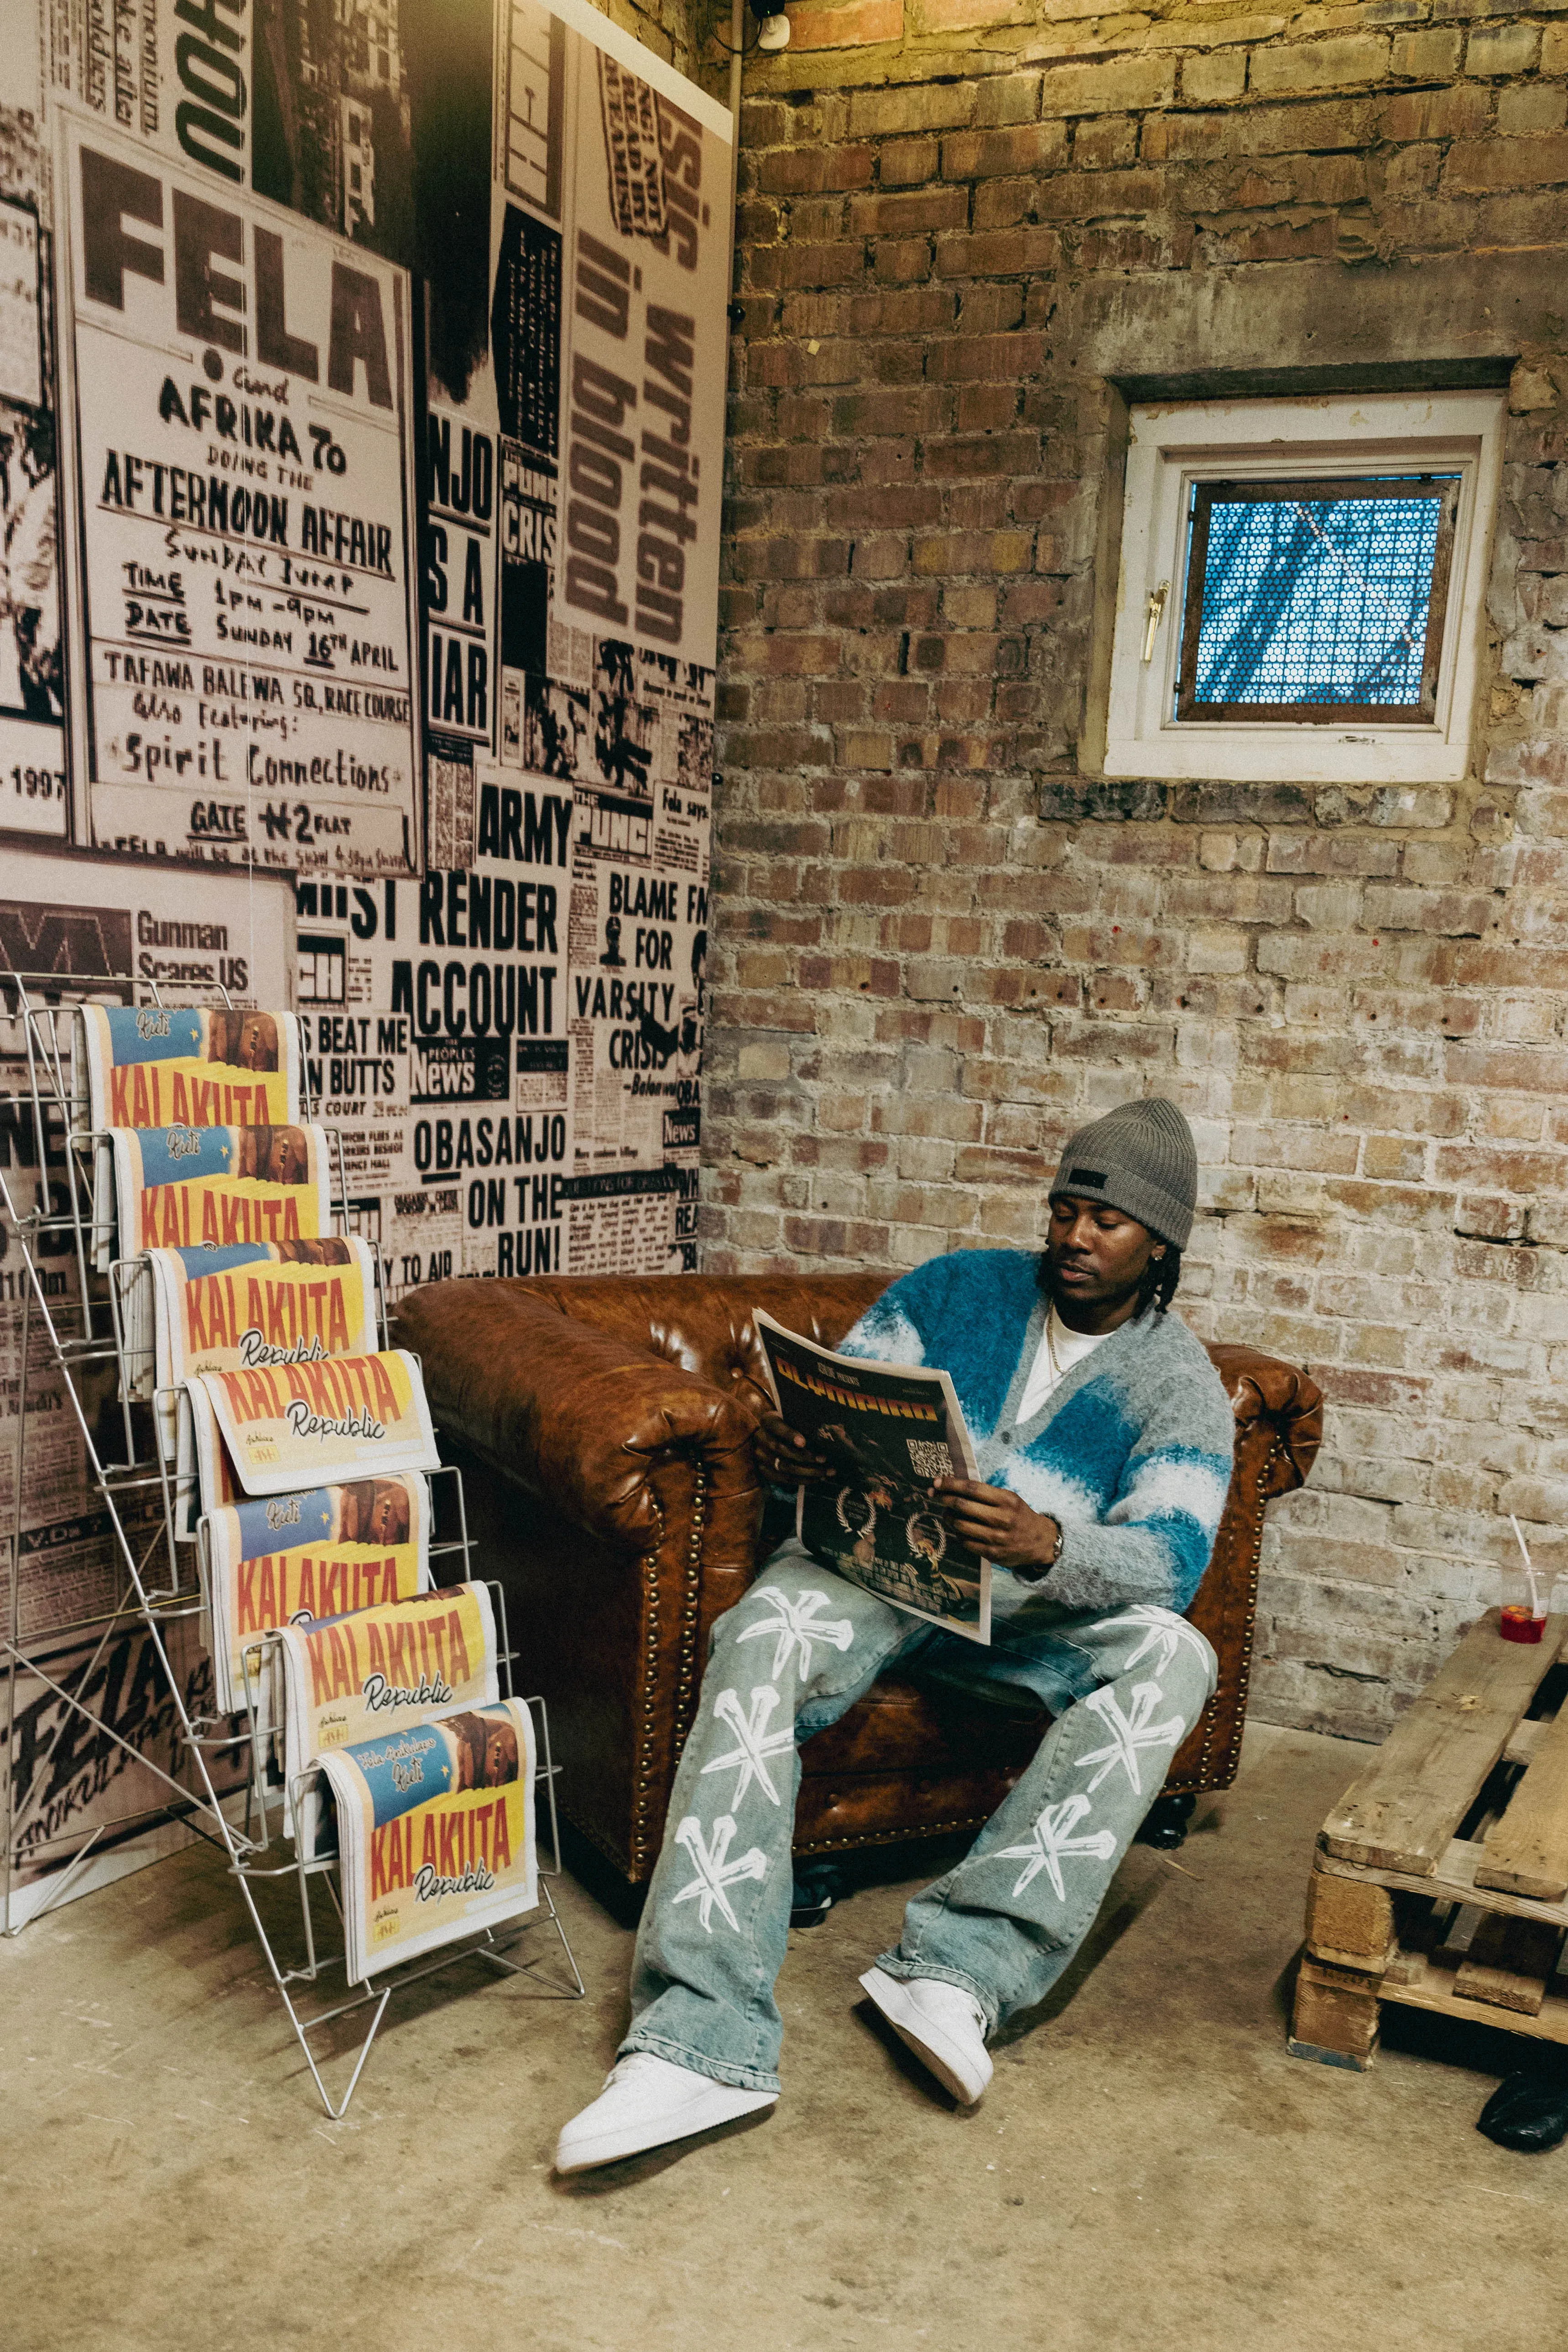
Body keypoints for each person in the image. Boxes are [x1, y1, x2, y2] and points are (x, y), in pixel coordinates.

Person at [556, 1098, 1237, 2175]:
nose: (1071, 1235)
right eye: (1064, 1207)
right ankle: (699, 2035)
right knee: (763, 1629)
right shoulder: (951, 1289)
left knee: (1174, 1655)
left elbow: (1169, 1556)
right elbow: (848, 1396)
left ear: (1160, 1242)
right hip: (872, 1572)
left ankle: (957, 1968)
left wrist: (1048, 1541)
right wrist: (796, 1446)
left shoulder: (1180, 1388)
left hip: (1019, 1614)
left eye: (1103, 1222)